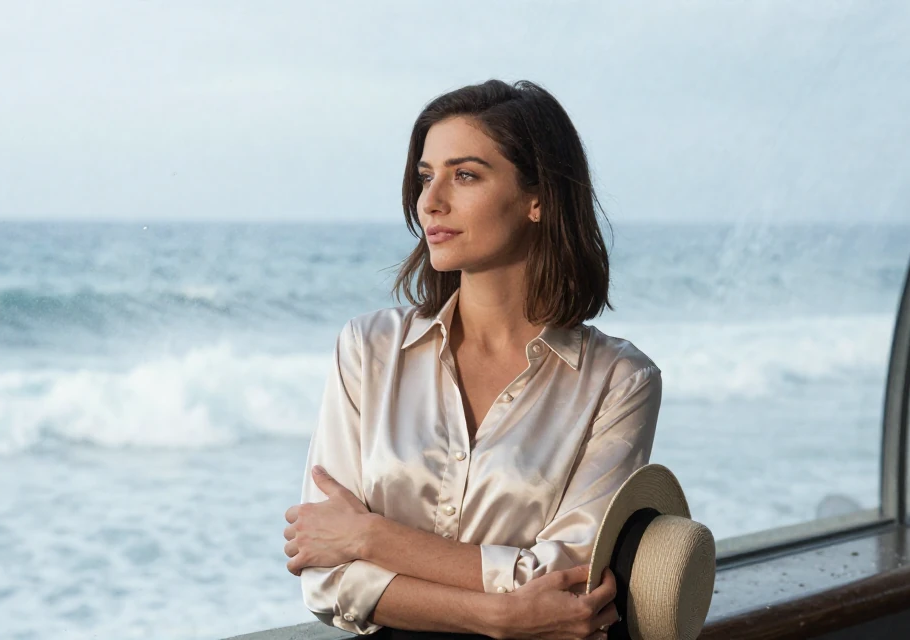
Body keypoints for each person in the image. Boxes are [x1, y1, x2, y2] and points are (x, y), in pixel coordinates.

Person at [282, 79, 662, 640]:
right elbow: (326, 574)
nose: (431, 201)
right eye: (424, 176)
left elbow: (564, 580)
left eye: (464, 175)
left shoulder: (619, 382)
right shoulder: (369, 349)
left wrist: (371, 538)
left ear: (539, 198)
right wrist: (498, 616)